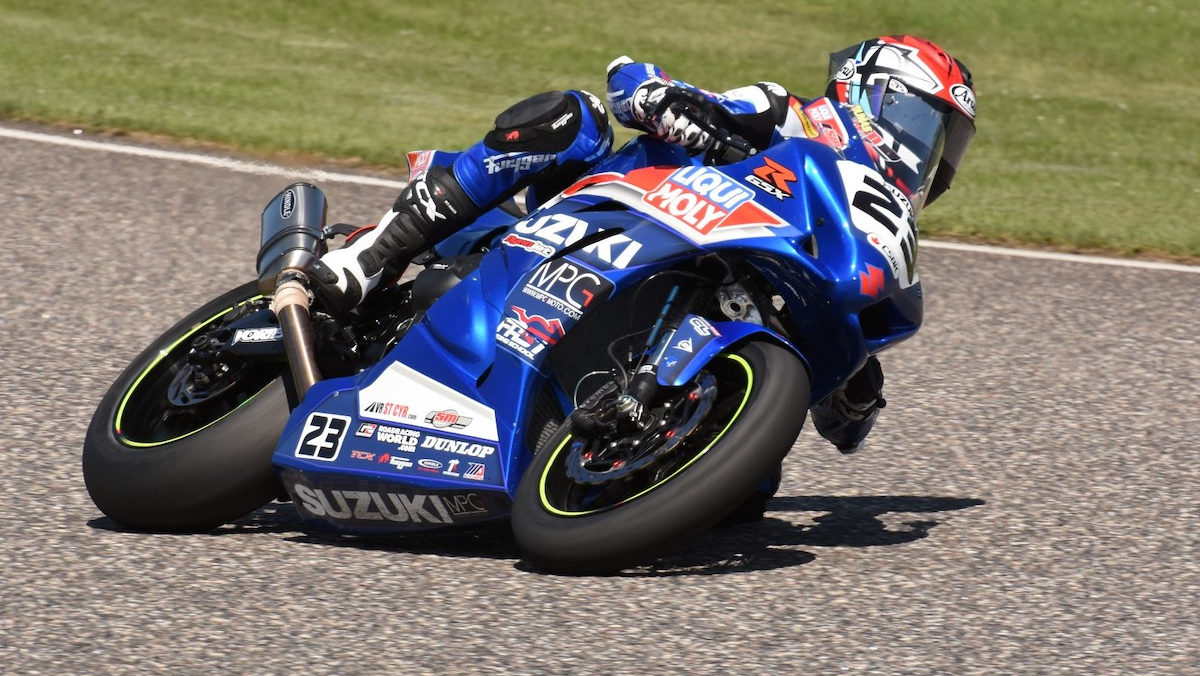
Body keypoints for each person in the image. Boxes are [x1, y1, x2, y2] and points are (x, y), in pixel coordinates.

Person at [310, 35, 976, 455]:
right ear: (873, 93)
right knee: (576, 118)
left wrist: (854, 377)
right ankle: (365, 261)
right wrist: (668, 100)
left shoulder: (869, 215)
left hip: (694, 284)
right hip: (603, 216)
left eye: (946, 142)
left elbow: (843, 434)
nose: (932, 152)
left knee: (748, 501)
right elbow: (631, 83)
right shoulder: (787, 112)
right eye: (927, 122)